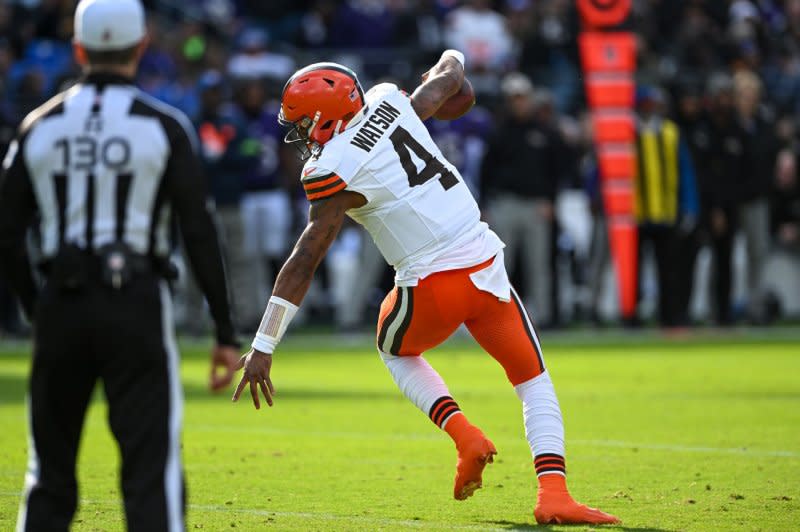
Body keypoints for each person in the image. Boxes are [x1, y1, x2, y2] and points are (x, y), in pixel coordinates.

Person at [231, 53, 620, 525]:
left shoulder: (331, 167)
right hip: (486, 263)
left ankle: (465, 436)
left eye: (302, 122)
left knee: (393, 349)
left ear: (325, 116)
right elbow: (452, 84)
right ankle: (554, 493)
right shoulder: (390, 100)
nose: (298, 134)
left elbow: (304, 260)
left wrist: (264, 343)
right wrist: (454, 57)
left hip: (431, 284)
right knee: (534, 382)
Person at [0, 1, 240, 530]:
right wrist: (224, 329)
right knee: (150, 473)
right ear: (142, 46)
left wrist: (35, 307)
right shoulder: (164, 126)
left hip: (60, 301)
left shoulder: (38, 125)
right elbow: (198, 231)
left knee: (50, 475)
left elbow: (7, 231)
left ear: (79, 49)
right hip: (135, 300)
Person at [480, 73, 565, 327]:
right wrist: (486, 204)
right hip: (506, 204)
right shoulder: (498, 132)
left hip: (536, 205)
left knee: (538, 265)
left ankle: (544, 318)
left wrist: (551, 201)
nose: (519, 103)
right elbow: (486, 171)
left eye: (523, 98)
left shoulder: (545, 132)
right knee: (501, 266)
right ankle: (499, 318)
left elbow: (556, 171)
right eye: (514, 98)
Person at [633, 87, 699, 327]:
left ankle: (670, 316)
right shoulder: (627, 133)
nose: (651, 108)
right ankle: (634, 316)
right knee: (634, 272)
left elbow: (685, 172)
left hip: (666, 212)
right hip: (635, 214)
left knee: (669, 271)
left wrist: (690, 208)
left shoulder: (671, 133)